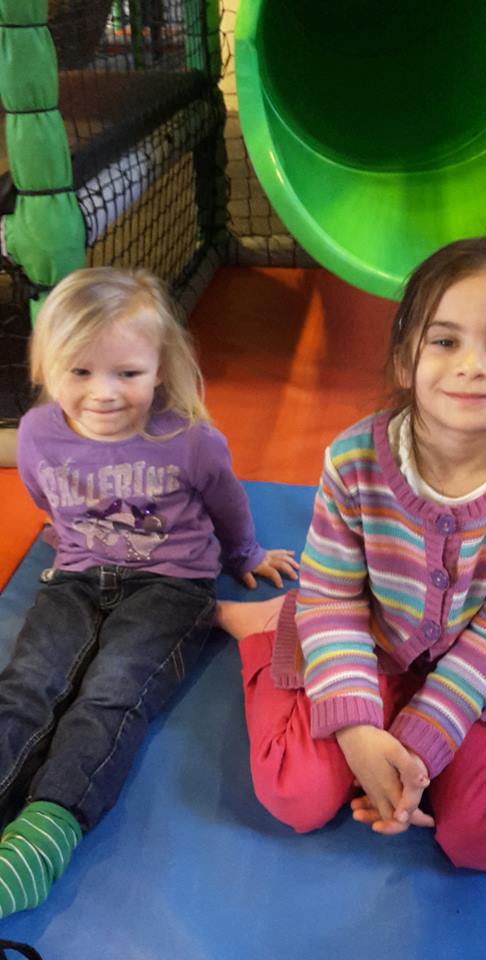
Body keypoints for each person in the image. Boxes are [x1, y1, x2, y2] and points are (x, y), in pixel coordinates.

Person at [217, 235, 486, 872]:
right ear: (403, 362)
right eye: (444, 341)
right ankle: (270, 629)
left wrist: (419, 745)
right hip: (374, 644)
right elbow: (334, 599)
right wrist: (358, 729)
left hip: (483, 675)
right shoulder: (354, 461)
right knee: (295, 793)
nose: (473, 365)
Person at [0, 265, 298, 918]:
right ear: (49, 365)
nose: (104, 393)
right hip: (77, 576)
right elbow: (42, 492)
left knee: (113, 691)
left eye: (127, 373)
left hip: (171, 583)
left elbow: (227, 504)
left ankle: (44, 834)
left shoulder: (188, 441)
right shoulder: (39, 433)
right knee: (27, 684)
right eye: (80, 371)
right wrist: (70, 533)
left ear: (160, 369)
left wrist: (246, 556)